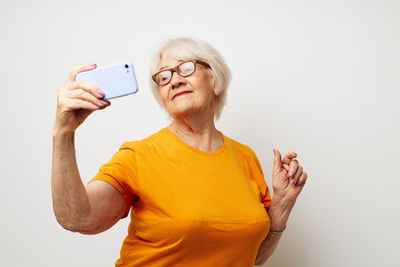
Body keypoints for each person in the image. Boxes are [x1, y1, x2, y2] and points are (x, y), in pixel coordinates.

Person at [52, 37, 308, 267]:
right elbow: (79, 218)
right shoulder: (139, 156)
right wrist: (64, 132)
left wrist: (282, 205)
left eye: (186, 68)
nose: (174, 79)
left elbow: (250, 257)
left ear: (215, 80)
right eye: (163, 77)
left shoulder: (245, 157)